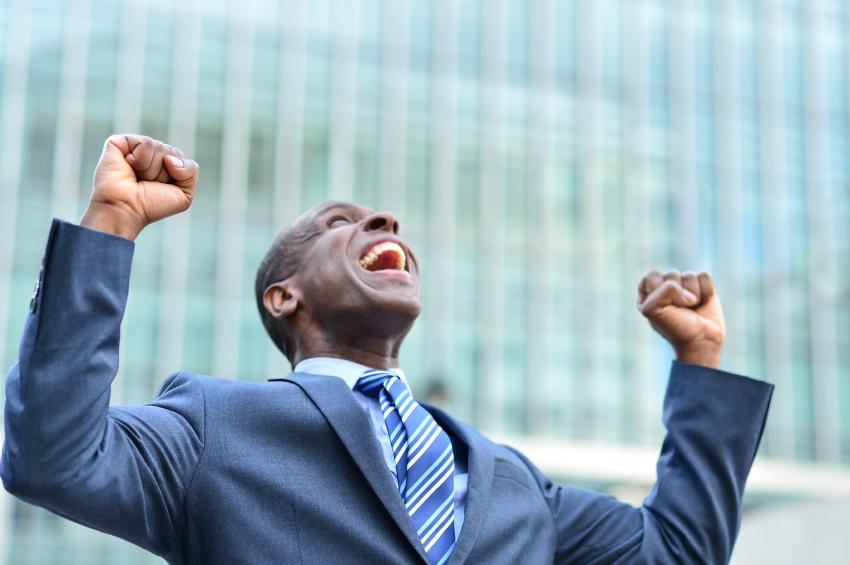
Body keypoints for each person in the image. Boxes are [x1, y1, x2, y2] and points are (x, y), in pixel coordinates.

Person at [1, 134, 773, 564]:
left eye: (390, 225)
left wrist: (698, 361)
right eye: (343, 222)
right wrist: (110, 225)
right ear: (284, 296)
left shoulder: (510, 483)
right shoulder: (214, 426)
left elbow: (676, 553)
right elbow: (50, 456)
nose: (386, 224)